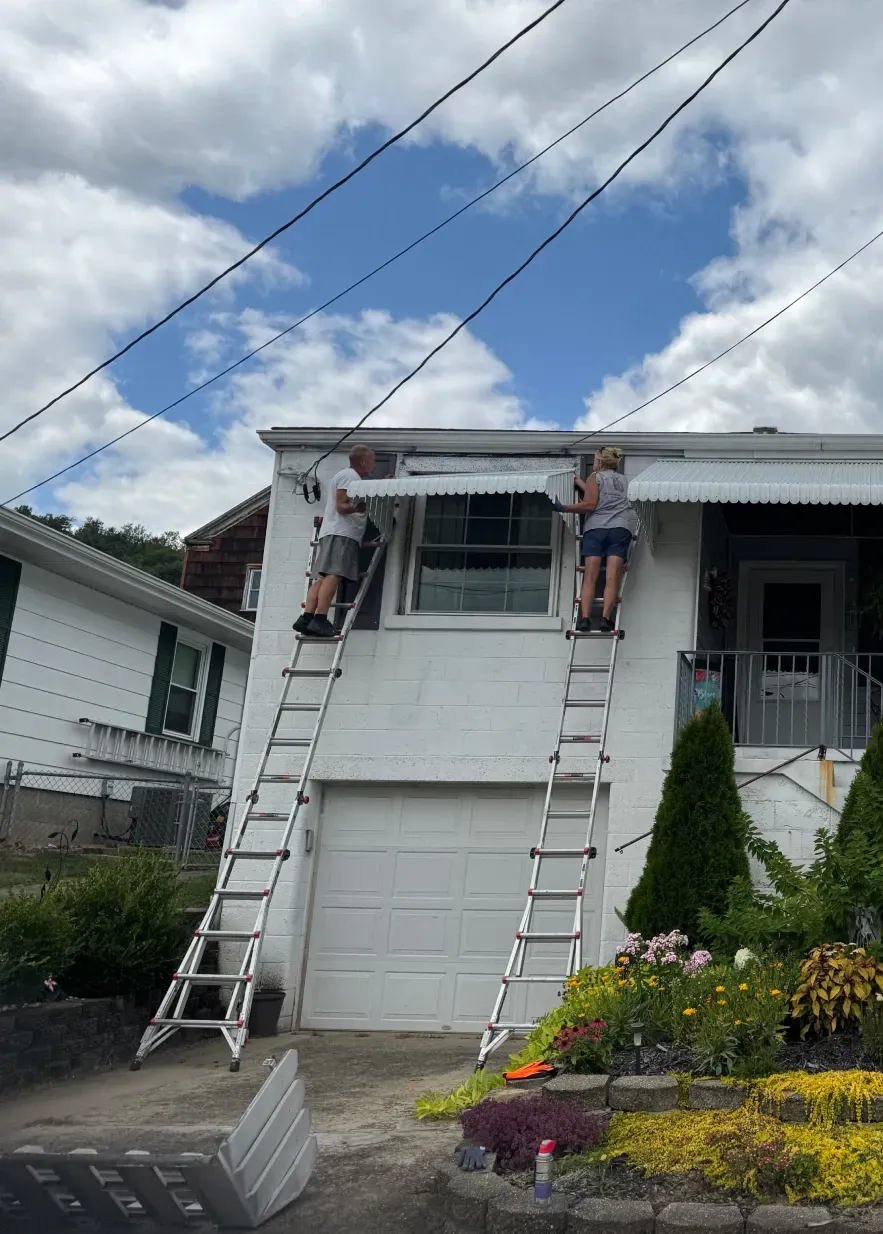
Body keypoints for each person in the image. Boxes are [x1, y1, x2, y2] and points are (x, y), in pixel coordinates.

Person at [293, 444, 376, 638]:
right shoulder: (350, 476)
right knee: (333, 575)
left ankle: (306, 618)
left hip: (332, 532)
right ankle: (320, 618)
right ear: (363, 461)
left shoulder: (348, 476)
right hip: (342, 533)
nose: (374, 464)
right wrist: (358, 508)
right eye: (372, 460)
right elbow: (341, 506)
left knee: (322, 576)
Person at [553, 446, 637, 634]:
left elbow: (591, 504)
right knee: (612, 575)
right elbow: (601, 496)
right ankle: (606, 619)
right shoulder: (623, 480)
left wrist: (564, 507)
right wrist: (581, 483)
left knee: (591, 574)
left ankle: (585, 619)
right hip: (620, 528)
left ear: (599, 462)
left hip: (597, 529)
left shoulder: (595, 477)